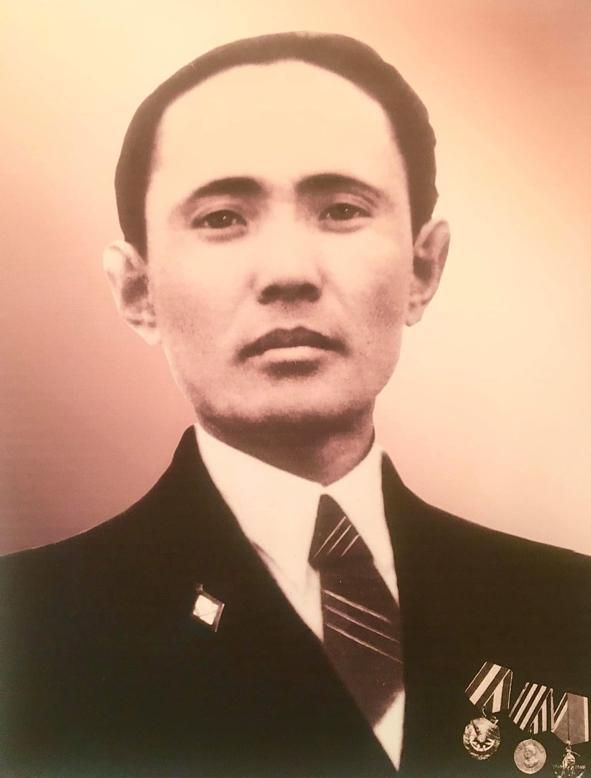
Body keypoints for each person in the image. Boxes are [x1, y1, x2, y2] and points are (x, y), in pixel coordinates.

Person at [1, 32, 590, 778]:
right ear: (137, 290)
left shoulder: (567, 607)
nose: (288, 272)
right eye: (221, 217)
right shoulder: (28, 631)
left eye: (341, 209)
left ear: (422, 267)